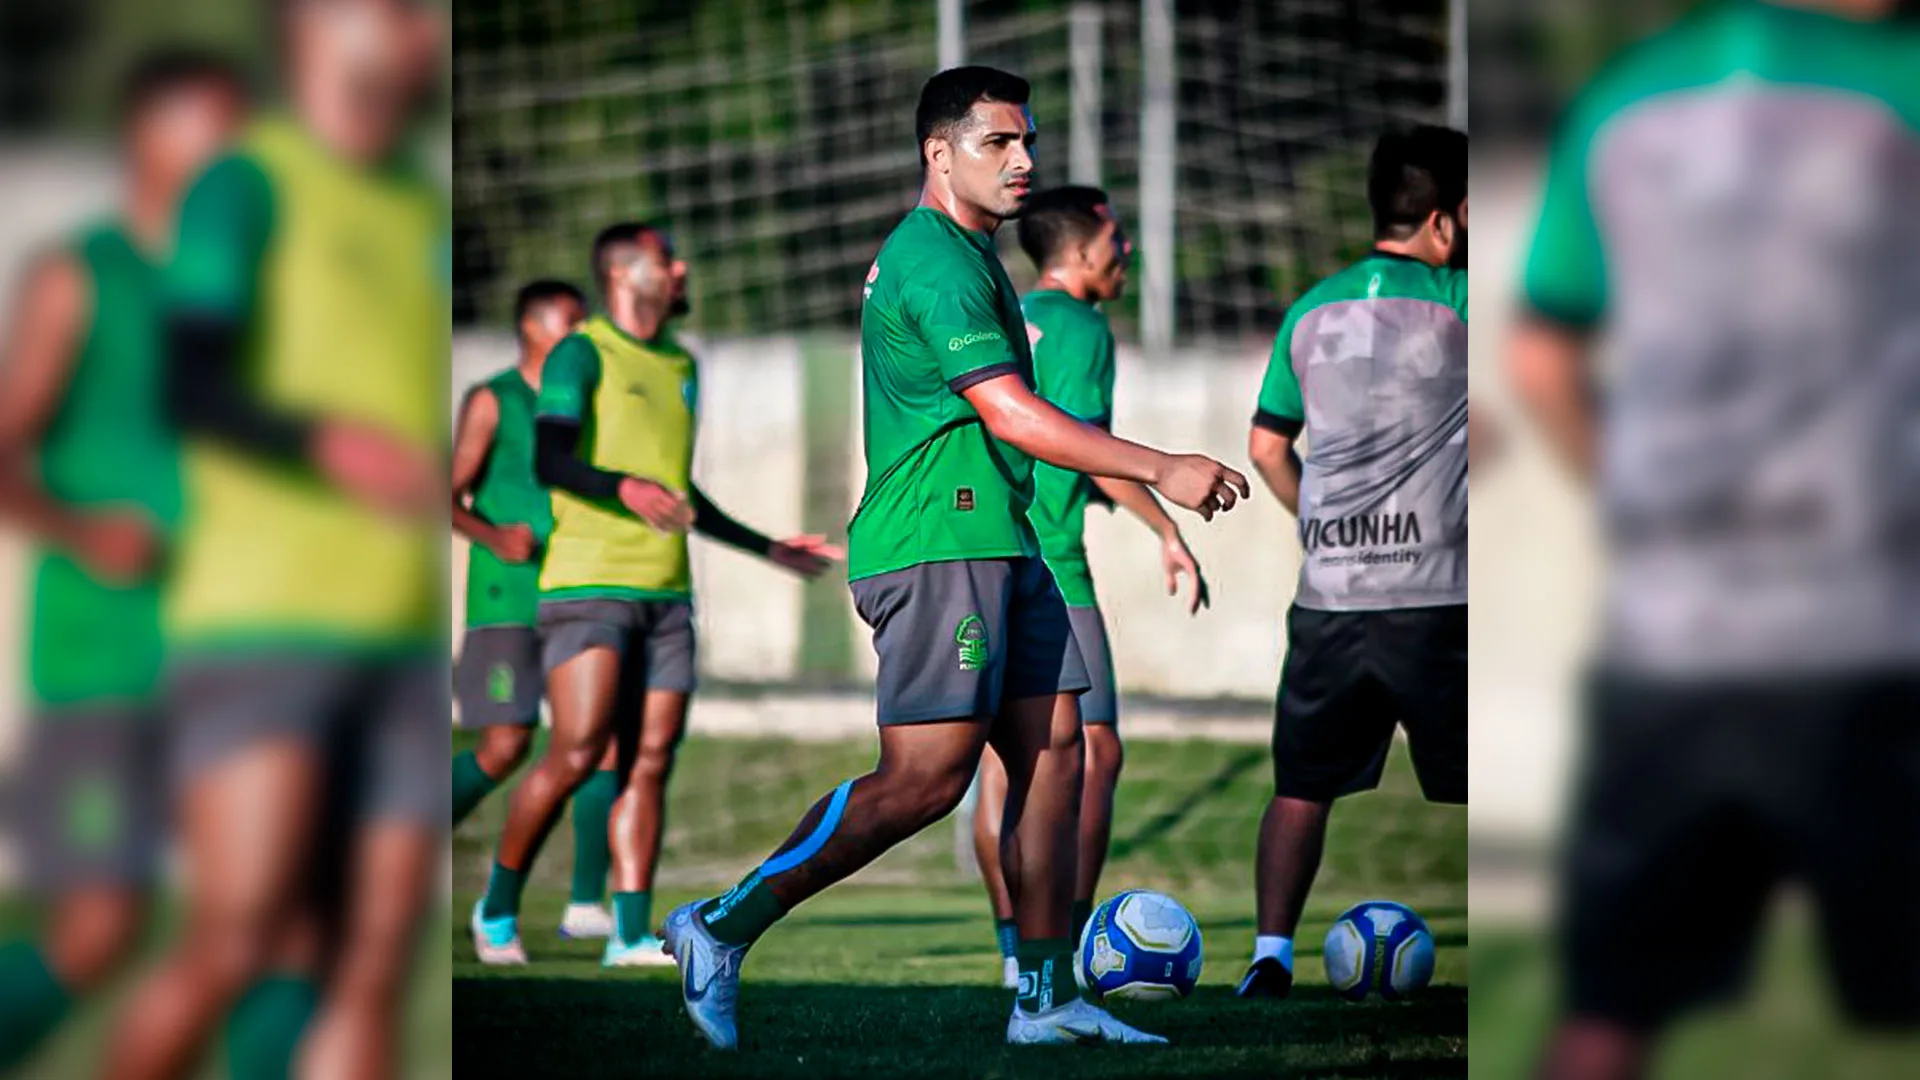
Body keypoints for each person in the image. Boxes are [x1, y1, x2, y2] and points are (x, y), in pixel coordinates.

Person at [661, 65, 1248, 1051]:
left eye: (1027, 142)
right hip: (937, 544)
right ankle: (720, 925)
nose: (1023, 162)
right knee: (926, 779)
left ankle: (1047, 995)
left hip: (1003, 542)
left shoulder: (977, 258)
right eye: (997, 144)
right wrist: (1164, 470)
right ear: (940, 154)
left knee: (1059, 750)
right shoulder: (931, 260)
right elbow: (1011, 414)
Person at [1509, 3, 1920, 1076]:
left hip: (1673, 638)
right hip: (1867, 631)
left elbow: (1543, 355)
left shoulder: (1627, 96)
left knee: (1608, 1011)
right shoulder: (1899, 81)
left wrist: (1640, 509)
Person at [96, 2, 449, 1077]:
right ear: (312, 24)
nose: (420, 30)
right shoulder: (242, 184)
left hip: (398, 631)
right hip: (262, 622)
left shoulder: (414, 200)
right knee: (236, 943)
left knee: (371, 960)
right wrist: (327, 445)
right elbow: (188, 382)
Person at [470, 222, 841, 967]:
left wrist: (766, 546)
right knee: (575, 754)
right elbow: (550, 459)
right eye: (666, 259)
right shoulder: (581, 352)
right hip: (587, 587)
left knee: (650, 760)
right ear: (623, 274)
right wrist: (622, 487)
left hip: (668, 593)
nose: (680, 268)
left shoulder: (681, 364)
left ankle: (630, 933)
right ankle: (498, 907)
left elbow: (680, 493)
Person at [0, 50, 246, 1073]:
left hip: (236, 646)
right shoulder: (79, 275)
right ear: (145, 136)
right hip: (104, 653)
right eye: (207, 129)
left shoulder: (238, 293)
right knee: (100, 928)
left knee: (267, 923)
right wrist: (85, 529)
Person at [1237, 125, 1468, 1000]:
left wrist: (1321, 522)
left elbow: (1266, 447)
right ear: (1446, 223)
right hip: (1437, 595)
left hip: (1330, 596)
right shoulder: (1464, 298)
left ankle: (1267, 955)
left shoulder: (1311, 307)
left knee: (1301, 784)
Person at [971, 184, 1210, 988]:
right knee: (1092, 752)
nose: (1128, 252)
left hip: (981, 555)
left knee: (1000, 764)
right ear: (1076, 252)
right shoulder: (1081, 326)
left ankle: (1016, 951)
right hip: (1053, 569)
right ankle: (1067, 944)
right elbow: (1083, 445)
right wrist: (1168, 524)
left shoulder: (1004, 311)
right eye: (1116, 239)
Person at [449, 279, 623, 942]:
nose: (580, 334)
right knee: (505, 747)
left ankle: (584, 905)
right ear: (532, 326)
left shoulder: (582, 399)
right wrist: (496, 537)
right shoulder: (493, 400)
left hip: (574, 592)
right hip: (507, 599)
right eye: (569, 321)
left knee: (596, 746)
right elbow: (449, 492)